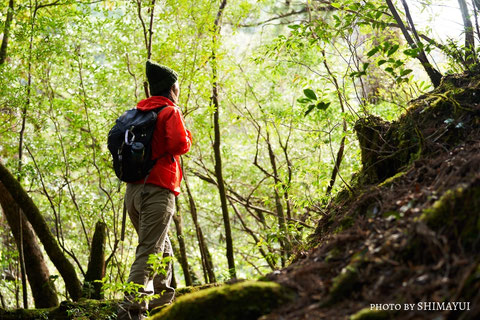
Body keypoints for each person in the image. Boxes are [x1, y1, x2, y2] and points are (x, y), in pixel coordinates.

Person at [117, 60, 192, 320]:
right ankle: (131, 310)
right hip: (158, 189)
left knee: (161, 246)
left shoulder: (137, 114)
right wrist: (188, 136)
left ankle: (163, 301)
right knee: (149, 250)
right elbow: (180, 145)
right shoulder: (170, 111)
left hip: (133, 192)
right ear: (172, 88)